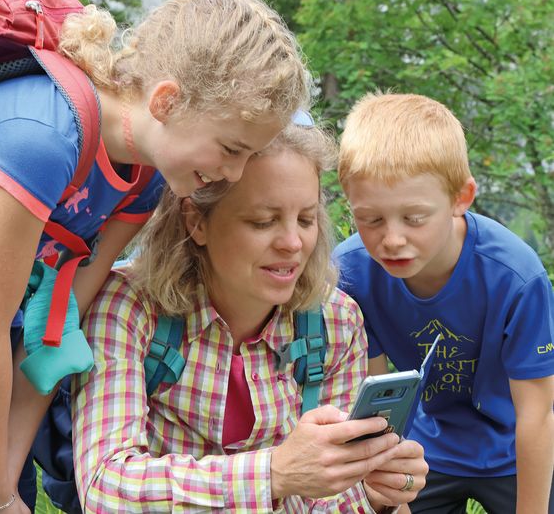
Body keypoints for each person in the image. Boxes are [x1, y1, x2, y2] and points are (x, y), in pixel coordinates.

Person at [0, 0, 311, 512]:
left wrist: (5, 485)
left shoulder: (145, 176)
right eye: (231, 149)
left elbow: (52, 332)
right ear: (165, 101)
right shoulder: (42, 141)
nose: (233, 175)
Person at [71, 122, 428, 513]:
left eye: (306, 220)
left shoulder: (336, 322)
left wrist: (374, 494)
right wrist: (274, 473)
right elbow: (104, 487)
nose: (293, 243)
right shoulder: (130, 305)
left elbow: (328, 502)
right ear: (197, 221)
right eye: (263, 221)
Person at [333, 92, 554, 514]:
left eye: (415, 218)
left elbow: (538, 415)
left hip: (515, 447)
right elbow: (370, 407)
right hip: (424, 447)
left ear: (461, 198)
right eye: (370, 218)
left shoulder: (516, 277)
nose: (392, 239)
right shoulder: (351, 274)